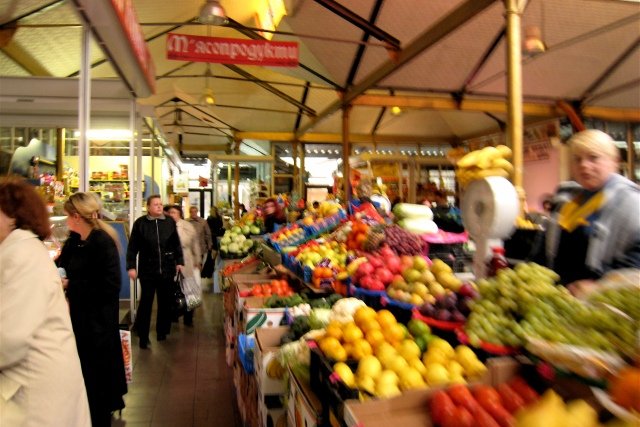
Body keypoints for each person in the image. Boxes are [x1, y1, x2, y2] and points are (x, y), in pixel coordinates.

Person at [0, 176, 91, 426]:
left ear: (13, 215)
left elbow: (10, 336)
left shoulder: (21, 254)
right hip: (37, 385)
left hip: (35, 392)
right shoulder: (22, 251)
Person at [56, 192, 127, 426]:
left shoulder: (102, 242)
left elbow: (110, 285)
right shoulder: (75, 240)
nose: (66, 220)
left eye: (67, 215)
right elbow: (62, 264)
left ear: (76, 216)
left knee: (97, 382)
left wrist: (71, 285)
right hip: (81, 321)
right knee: (87, 379)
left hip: (98, 325)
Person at [545, 129, 640, 293]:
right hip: (561, 297)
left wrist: (601, 284)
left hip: (601, 303)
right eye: (577, 159)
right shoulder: (567, 199)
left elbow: (637, 259)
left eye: (593, 158)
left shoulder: (631, 202)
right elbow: (547, 248)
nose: (584, 165)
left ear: (615, 161)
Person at [126, 195, 184, 349]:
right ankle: (143, 336)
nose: (159, 207)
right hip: (147, 271)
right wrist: (131, 266)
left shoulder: (169, 222)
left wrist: (179, 261)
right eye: (156, 204)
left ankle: (162, 332)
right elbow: (132, 247)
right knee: (146, 303)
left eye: (160, 204)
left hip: (167, 269)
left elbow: (176, 244)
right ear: (148, 207)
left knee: (165, 302)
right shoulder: (140, 224)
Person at [165, 205, 201, 327]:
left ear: (179, 214)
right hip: (170, 261)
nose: (171, 215)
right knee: (172, 289)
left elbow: (194, 243)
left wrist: (198, 260)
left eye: (174, 212)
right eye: (169, 212)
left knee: (189, 289)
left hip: (186, 260)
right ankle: (173, 314)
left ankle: (189, 317)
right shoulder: (164, 225)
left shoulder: (186, 226)